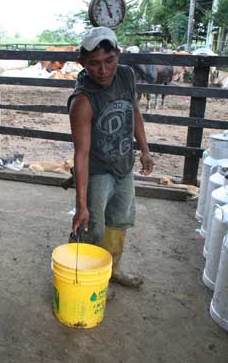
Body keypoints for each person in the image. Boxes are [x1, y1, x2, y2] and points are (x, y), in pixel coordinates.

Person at [68, 27, 154, 288]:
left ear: (118, 55)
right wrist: (81, 204)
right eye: (94, 63)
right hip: (97, 172)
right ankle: (83, 280)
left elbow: (134, 111)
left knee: (118, 221)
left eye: (109, 61)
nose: (103, 70)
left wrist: (145, 149)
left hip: (123, 166)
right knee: (92, 227)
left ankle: (111, 270)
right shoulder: (82, 101)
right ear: (82, 62)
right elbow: (81, 154)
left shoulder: (126, 76)